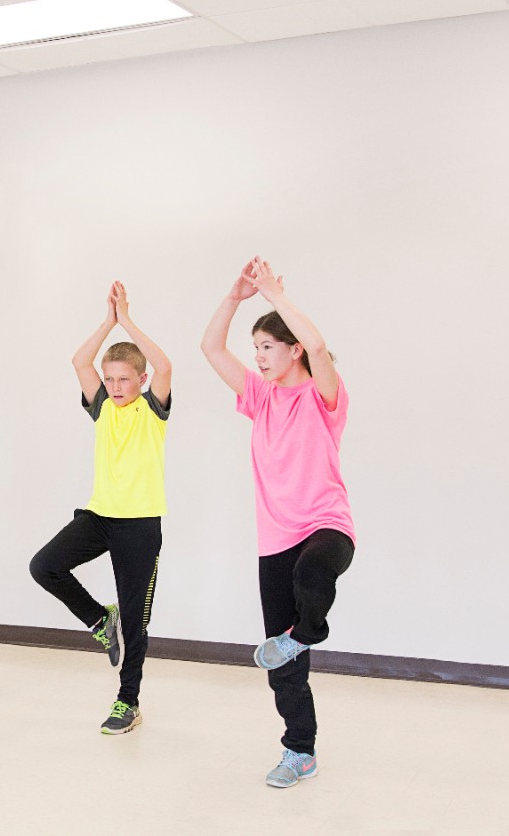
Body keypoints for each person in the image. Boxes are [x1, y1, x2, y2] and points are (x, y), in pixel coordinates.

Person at [199, 256, 355, 788]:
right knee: (285, 668)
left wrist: (275, 294)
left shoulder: (324, 395)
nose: (260, 358)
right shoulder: (260, 398)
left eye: (268, 347)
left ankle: (306, 632)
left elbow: (317, 345)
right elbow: (211, 349)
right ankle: (299, 752)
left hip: (328, 526)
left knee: (315, 576)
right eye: (257, 348)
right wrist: (236, 295)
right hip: (275, 538)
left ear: (292, 351)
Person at [30, 281, 172, 735]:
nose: (113, 387)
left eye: (123, 379)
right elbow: (79, 361)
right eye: (109, 379)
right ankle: (98, 618)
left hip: (140, 527)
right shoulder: (102, 409)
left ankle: (127, 701)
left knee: (137, 622)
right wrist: (107, 322)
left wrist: (127, 320)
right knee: (45, 566)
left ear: (141, 381)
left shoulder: (152, 411)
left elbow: (166, 363)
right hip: (98, 517)